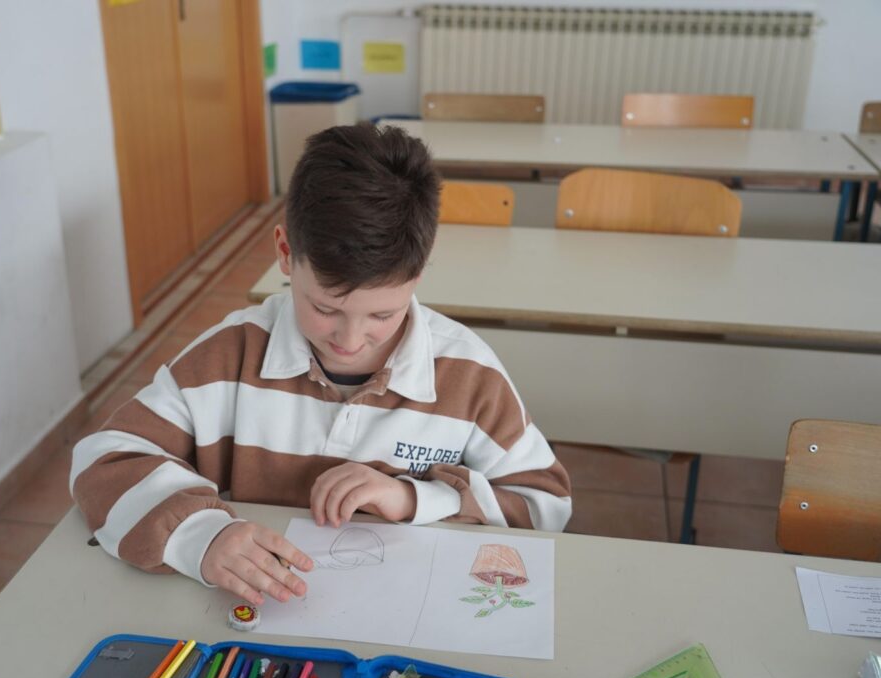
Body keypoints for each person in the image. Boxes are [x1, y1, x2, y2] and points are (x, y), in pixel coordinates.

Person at [71, 123, 571, 607]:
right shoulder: (228, 356)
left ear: (419, 271)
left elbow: (546, 505)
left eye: (382, 315)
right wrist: (200, 535)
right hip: (250, 615)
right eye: (325, 308)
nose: (349, 341)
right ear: (285, 252)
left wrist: (414, 499)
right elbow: (104, 459)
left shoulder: (470, 374)